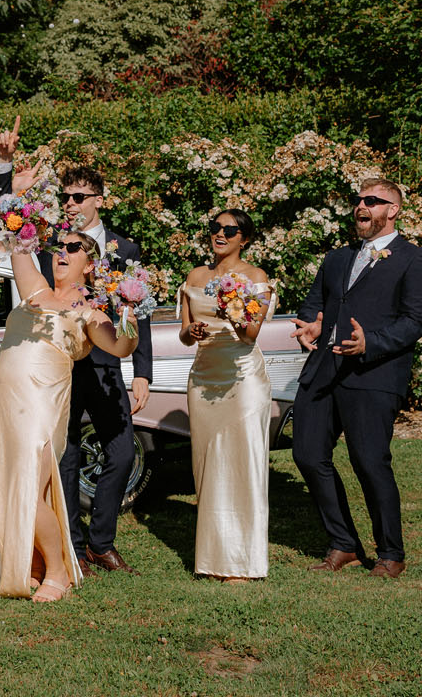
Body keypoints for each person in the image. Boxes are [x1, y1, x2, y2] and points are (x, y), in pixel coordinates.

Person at [0, 114, 155, 575]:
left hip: (103, 360)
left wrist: (142, 372)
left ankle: (102, 541)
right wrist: (5, 172)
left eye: (79, 197)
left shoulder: (125, 248)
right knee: (63, 456)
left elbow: (134, 313)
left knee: (122, 452)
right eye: (65, 196)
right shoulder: (50, 242)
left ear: (99, 200)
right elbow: (12, 223)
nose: (70, 203)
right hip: (57, 368)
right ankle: (73, 545)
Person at [0, 175, 138, 600]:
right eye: (60, 246)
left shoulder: (90, 312)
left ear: (91, 264)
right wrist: (15, 188)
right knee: (0, 480)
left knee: (30, 486)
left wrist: (129, 313)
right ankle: (28, 562)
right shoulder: (35, 289)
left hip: (41, 403)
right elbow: (17, 235)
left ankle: (60, 571)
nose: (61, 252)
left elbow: (121, 347)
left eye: (73, 249)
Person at [291, 178, 422, 579]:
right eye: (358, 200)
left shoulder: (415, 260)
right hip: (323, 370)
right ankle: (344, 544)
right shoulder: (337, 258)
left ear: (393, 210)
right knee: (307, 455)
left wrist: (370, 342)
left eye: (372, 200)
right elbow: (315, 305)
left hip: (373, 374)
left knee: (370, 462)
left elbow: (414, 321)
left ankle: (391, 553)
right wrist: (311, 325)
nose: (361, 206)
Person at [178, 210, 275, 581]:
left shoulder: (256, 277)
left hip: (243, 378)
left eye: (229, 230)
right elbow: (184, 333)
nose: (220, 234)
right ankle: (212, 559)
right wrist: (192, 332)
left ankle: (243, 563)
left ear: (243, 239)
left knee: (242, 463)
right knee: (207, 466)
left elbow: (250, 334)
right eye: (215, 228)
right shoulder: (195, 277)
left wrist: (232, 305)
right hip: (204, 377)